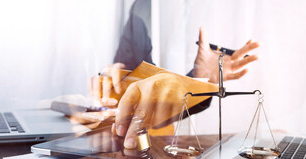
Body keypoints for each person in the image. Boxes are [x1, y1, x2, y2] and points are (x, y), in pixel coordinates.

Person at [89, 0, 259, 149]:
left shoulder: (221, 10)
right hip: (148, 145)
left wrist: (201, 80)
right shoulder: (141, 6)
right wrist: (117, 76)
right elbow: (127, 67)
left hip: (208, 145)